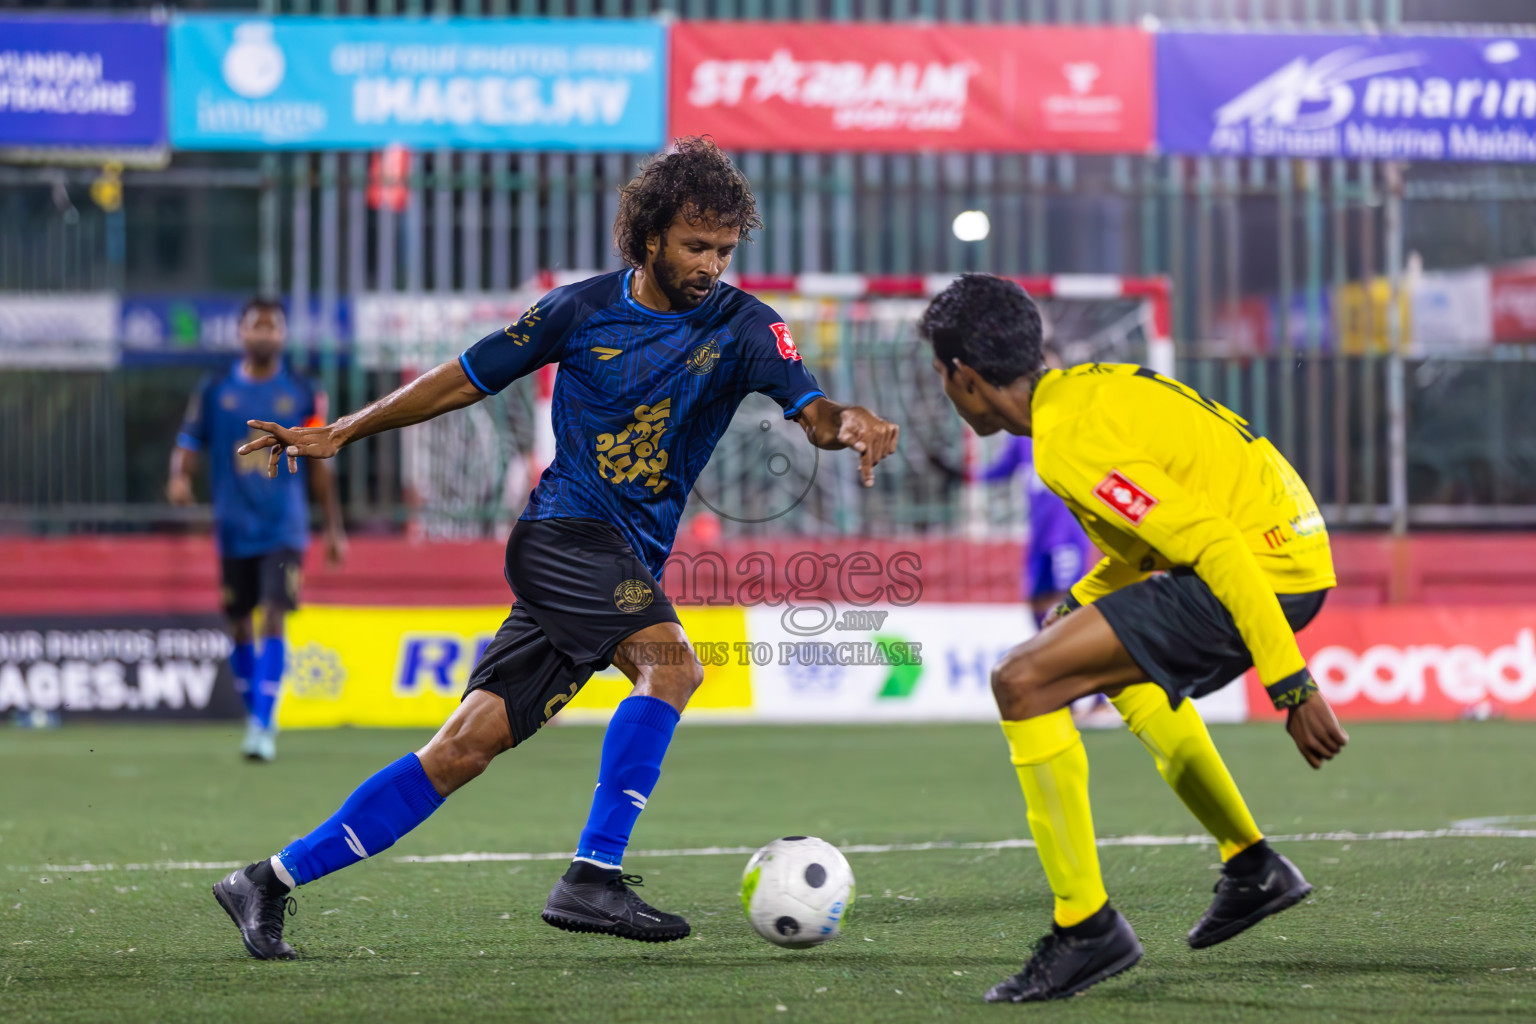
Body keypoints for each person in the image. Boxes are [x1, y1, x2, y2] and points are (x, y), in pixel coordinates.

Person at [210, 137, 899, 960]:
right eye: (694, 246)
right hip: (563, 537)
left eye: (724, 248)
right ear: (649, 237)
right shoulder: (580, 309)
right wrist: (345, 431)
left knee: (463, 748)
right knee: (673, 665)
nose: (711, 264)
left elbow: (813, 411)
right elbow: (466, 375)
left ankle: (268, 881)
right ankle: (593, 876)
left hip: (616, 563)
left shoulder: (750, 327)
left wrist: (848, 421)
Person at [918, 274, 1348, 1003]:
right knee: (1112, 667)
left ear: (963, 376)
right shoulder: (1086, 390)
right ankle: (1253, 866)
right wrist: (1080, 606)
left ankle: (1085, 927)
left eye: (941, 377)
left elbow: (1211, 542)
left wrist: (1293, 686)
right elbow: (1148, 547)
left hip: (1261, 570)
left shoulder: (1065, 443)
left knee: (1021, 681)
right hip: (1288, 551)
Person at [168, 298, 346, 763]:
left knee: (272, 611)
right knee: (238, 623)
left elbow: (322, 463)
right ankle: (256, 714)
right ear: (241, 332)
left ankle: (264, 723)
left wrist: (332, 528)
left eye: (273, 327)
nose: (265, 334)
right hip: (233, 527)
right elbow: (188, 441)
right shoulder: (214, 391)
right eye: (256, 326)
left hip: (283, 526)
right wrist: (179, 477)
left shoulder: (304, 392)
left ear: (283, 335)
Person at [975, 347, 1118, 730]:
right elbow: (1002, 469)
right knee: (1038, 607)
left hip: (1065, 534)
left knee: (1071, 611)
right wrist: (963, 476)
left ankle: (1105, 696)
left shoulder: (1073, 423)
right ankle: (1067, 698)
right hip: (1036, 537)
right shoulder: (1023, 430)